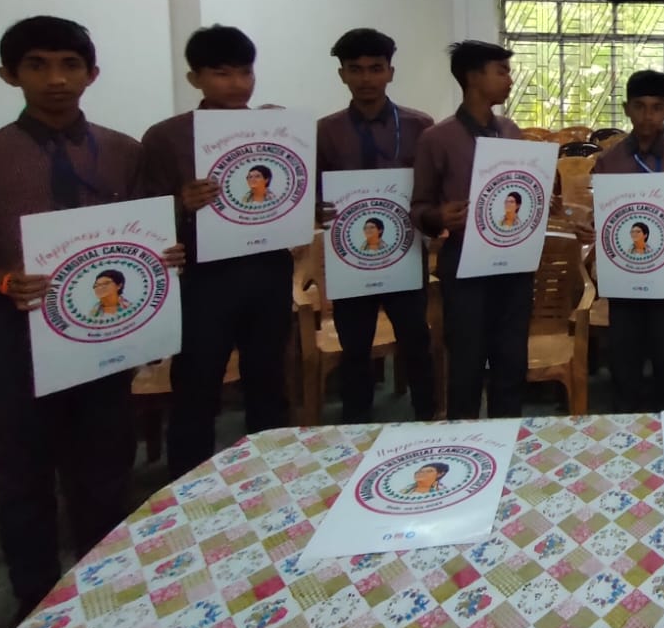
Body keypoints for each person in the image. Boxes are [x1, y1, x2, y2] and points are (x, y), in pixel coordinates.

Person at [0, 17, 184, 618]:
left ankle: (102, 591)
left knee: (106, 466)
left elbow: (145, 228)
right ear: (9, 75)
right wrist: (1, 279)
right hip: (17, 335)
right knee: (22, 473)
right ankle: (35, 604)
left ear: (91, 74)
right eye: (37, 65)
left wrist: (164, 254)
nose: (55, 79)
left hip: (104, 335)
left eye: (69, 65)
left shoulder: (124, 152)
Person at [142, 25, 293, 477]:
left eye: (245, 72)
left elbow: (295, 187)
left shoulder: (278, 127)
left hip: (268, 268)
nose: (237, 84)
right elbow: (144, 218)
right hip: (204, 277)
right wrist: (181, 204)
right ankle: (187, 482)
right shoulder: (166, 137)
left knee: (268, 377)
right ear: (195, 78)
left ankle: (274, 471)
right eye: (222, 74)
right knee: (197, 383)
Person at [316, 27, 438, 422]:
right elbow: (313, 193)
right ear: (342, 75)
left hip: (405, 251)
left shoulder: (420, 126)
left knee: (415, 339)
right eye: (356, 69)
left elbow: (431, 187)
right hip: (350, 256)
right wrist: (319, 211)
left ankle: (426, 420)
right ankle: (356, 426)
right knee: (355, 347)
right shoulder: (325, 131)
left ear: (390, 72)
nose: (366, 78)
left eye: (375, 68)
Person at [411, 40, 535, 419]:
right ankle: (464, 438)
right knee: (466, 363)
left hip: (513, 263)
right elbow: (419, 207)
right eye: (502, 71)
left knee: (511, 362)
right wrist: (439, 217)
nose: (510, 80)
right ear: (473, 77)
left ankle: (508, 436)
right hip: (464, 263)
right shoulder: (437, 138)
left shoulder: (511, 131)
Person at [592, 70, 664, 414]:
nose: (648, 116)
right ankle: (626, 423)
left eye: (656, 107)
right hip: (625, 280)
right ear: (627, 109)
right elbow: (601, 219)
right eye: (639, 106)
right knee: (625, 361)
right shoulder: (609, 161)